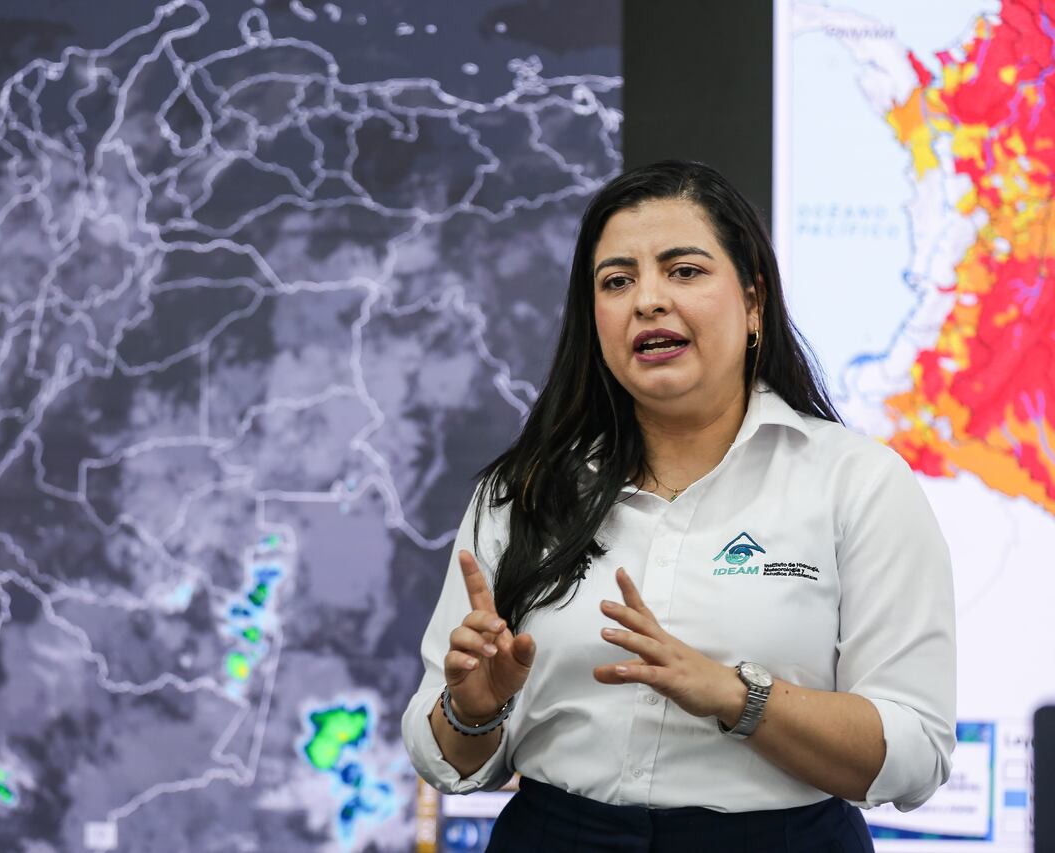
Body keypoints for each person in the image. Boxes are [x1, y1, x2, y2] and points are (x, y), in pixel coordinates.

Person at [400, 160, 956, 852]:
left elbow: (914, 751)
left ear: (753, 303)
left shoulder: (858, 482)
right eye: (617, 281)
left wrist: (736, 696)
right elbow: (448, 760)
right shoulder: (524, 490)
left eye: (684, 271)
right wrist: (474, 710)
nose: (648, 301)